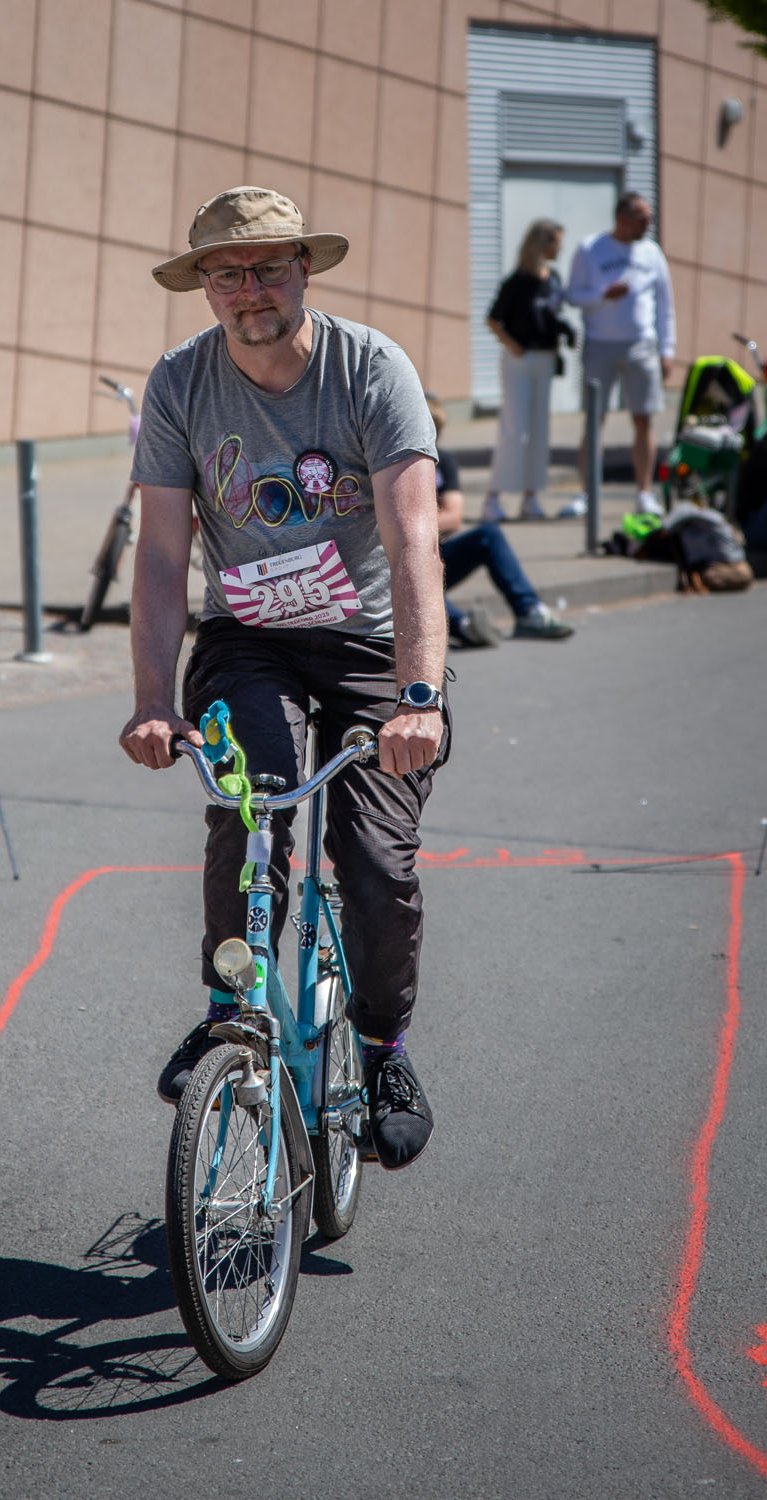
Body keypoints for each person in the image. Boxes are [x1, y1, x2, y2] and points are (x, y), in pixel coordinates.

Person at [118, 185, 447, 1171]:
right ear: (205, 287)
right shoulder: (181, 383)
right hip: (249, 641)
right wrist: (148, 700)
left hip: (369, 650)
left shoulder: (370, 370)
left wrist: (419, 696)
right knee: (249, 806)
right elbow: (163, 557)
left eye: (267, 266)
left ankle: (384, 1046)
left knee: (378, 863)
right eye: (228, 272)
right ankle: (229, 1009)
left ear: (305, 268)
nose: (249, 288)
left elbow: (412, 534)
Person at [562, 192, 675, 518]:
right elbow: (573, 294)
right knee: (595, 420)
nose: (648, 224)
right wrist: (602, 294)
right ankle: (586, 492)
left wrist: (667, 350)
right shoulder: (591, 248)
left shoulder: (652, 252)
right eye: (642, 218)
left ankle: (643, 492)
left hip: (642, 345)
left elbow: (665, 305)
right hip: (600, 343)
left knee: (643, 419)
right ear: (622, 218)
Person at [428, 395, 573, 645]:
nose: (434, 436)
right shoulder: (390, 463)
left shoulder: (444, 461)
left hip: (436, 551)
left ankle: (528, 612)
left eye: (437, 429)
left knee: (489, 534)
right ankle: (465, 626)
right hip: (403, 559)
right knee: (414, 572)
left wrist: (412, 524)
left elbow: (454, 517)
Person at [481, 219, 574, 522]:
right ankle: (492, 499)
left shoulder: (554, 279)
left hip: (546, 359)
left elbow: (553, 314)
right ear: (542, 244)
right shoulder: (517, 282)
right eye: (555, 242)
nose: (559, 248)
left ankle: (530, 498)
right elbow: (493, 319)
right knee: (515, 430)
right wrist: (512, 345)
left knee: (538, 431)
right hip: (520, 361)